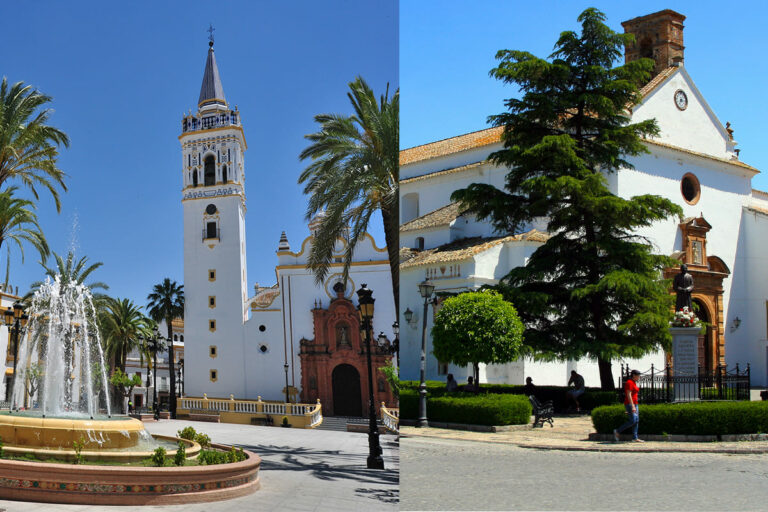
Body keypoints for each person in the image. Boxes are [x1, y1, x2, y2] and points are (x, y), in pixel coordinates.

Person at [614, 369, 644, 442]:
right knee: (633, 420)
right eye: (638, 375)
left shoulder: (633, 382)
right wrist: (632, 406)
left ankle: (635, 437)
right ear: (634, 375)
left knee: (636, 420)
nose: (639, 377)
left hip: (635, 403)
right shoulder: (629, 382)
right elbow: (628, 394)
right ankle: (617, 431)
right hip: (630, 403)